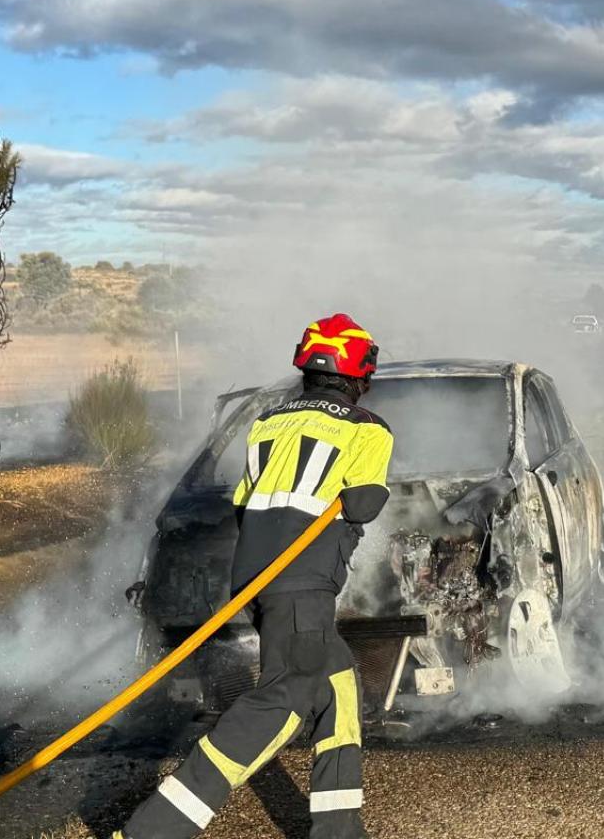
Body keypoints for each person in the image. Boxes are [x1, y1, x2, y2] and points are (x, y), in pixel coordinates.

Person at [116, 314, 395, 839]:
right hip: (304, 585)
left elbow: (245, 503)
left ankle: (338, 830)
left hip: (257, 580)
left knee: (336, 689)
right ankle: (154, 830)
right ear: (359, 376)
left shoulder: (268, 424)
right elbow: (361, 505)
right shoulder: (367, 428)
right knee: (279, 704)